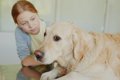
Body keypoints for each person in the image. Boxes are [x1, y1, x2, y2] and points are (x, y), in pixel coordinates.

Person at [11, 0, 49, 68]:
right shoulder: (19, 31)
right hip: (36, 68)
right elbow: (25, 60)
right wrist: (49, 59)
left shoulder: (50, 27)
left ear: (37, 14)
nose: (31, 25)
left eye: (33, 19)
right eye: (24, 23)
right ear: (18, 25)